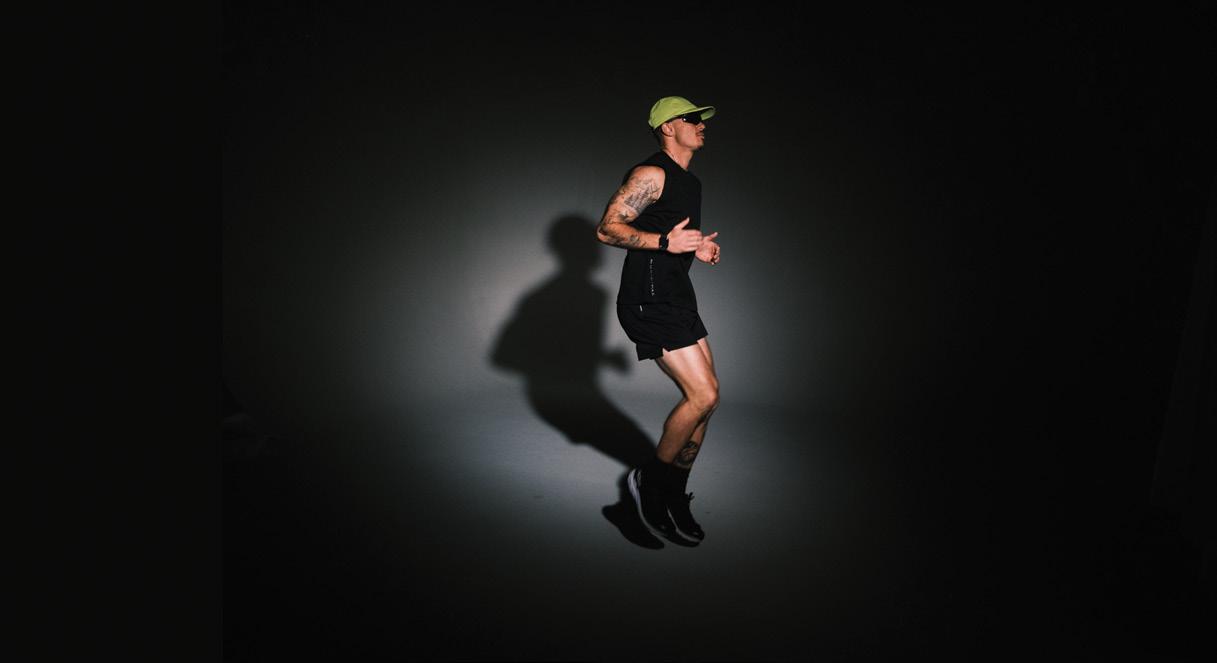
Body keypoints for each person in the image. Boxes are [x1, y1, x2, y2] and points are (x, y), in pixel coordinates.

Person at [595, 96, 721, 545]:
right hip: (648, 300)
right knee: (703, 394)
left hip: (678, 298)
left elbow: (673, 236)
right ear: (668, 127)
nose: (702, 125)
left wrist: (697, 247)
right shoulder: (651, 173)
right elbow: (608, 228)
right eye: (692, 118)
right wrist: (666, 242)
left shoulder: (691, 182)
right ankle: (647, 483)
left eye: (702, 120)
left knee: (706, 402)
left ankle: (672, 492)